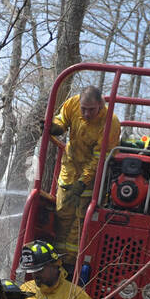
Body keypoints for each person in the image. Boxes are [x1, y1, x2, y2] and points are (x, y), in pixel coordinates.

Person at [49, 85, 121, 273]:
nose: (87, 114)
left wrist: (82, 183)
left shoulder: (110, 122)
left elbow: (100, 158)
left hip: (92, 178)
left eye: (92, 109)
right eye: (84, 109)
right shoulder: (72, 103)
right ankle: (55, 260)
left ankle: (71, 266)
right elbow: (61, 119)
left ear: (100, 105)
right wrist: (56, 127)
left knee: (80, 221)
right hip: (70, 167)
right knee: (62, 213)